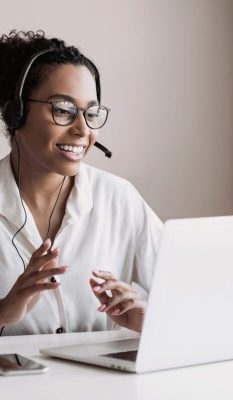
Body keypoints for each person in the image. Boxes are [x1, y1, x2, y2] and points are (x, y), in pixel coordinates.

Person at [0, 30, 162, 336]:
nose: (82, 130)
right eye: (63, 110)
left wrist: (147, 319)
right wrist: (4, 310)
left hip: (101, 383)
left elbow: (187, 305)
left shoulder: (119, 198)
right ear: (16, 114)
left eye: (90, 112)